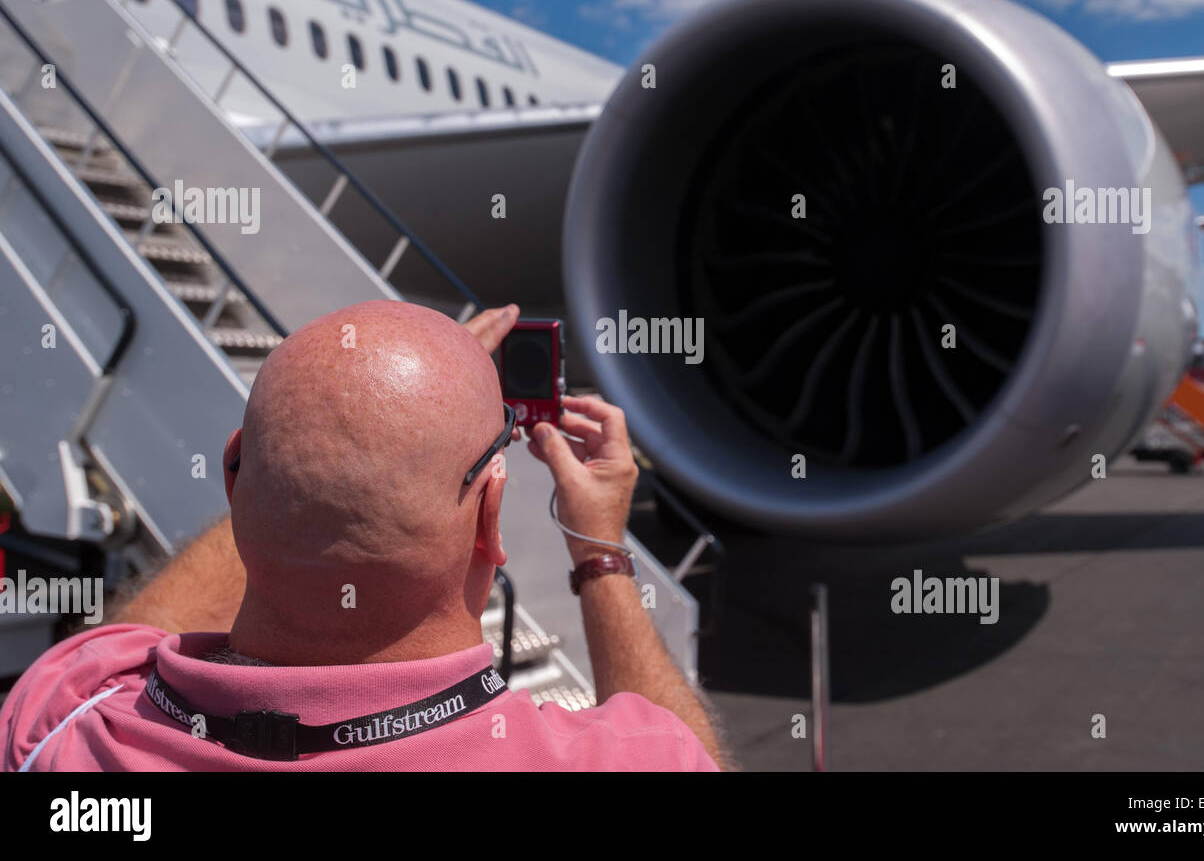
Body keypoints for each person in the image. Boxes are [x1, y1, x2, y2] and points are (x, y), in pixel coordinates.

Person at [0, 300, 725, 770]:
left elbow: (119, 645)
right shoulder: (631, 758)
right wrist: (599, 551)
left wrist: (321, 454)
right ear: (491, 519)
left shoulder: (58, 725)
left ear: (232, 476)